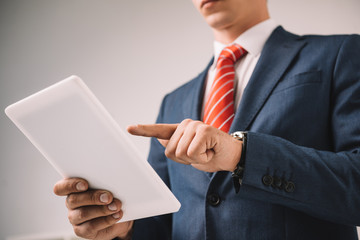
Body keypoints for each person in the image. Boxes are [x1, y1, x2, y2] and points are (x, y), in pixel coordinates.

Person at [53, 0, 360, 239]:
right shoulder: (173, 101)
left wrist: (241, 154)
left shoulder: (339, 53)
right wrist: (122, 227)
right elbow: (164, 225)